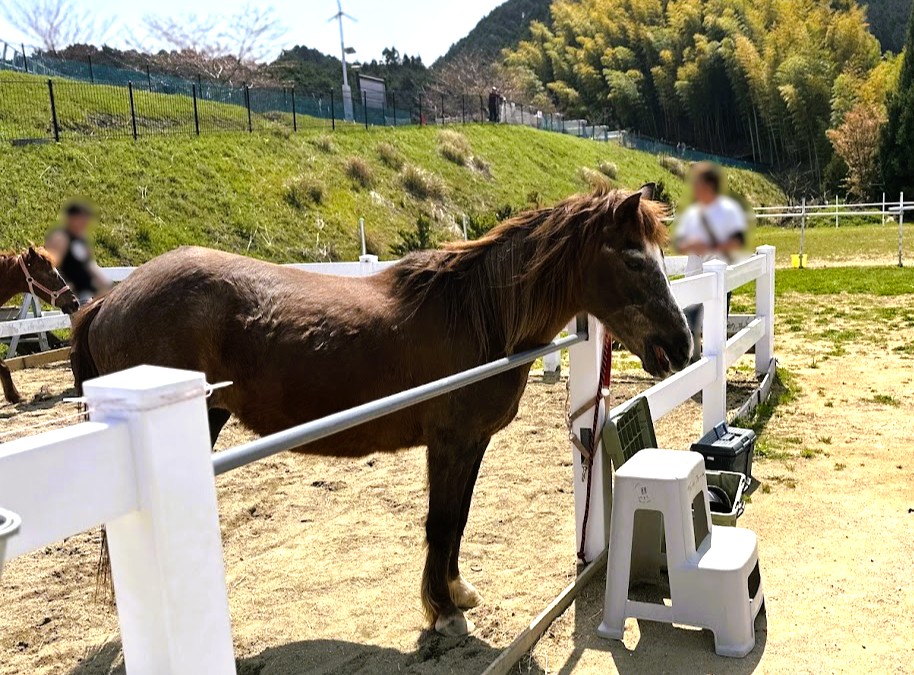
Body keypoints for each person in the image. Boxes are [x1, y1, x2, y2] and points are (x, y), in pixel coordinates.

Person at [674, 162, 748, 360]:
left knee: (715, 331)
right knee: (692, 331)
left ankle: (713, 374)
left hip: (718, 280)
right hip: (695, 280)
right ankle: (697, 371)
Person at [45, 200, 111, 304]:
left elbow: (90, 265)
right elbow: (51, 268)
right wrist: (69, 288)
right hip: (74, 295)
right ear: (72, 219)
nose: (85, 223)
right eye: (82, 219)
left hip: (90, 292)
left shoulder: (81, 238)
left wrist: (107, 286)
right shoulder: (61, 238)